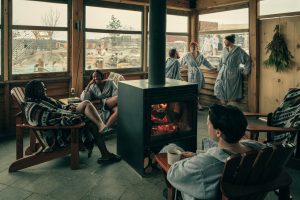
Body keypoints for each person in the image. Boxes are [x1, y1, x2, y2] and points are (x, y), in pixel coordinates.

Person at [162, 104, 264, 199]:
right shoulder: (258, 149)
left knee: (171, 147)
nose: (206, 125)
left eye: (208, 124)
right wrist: (197, 156)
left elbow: (173, 175)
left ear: (218, 132)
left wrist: (188, 160)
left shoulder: (205, 164)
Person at [24, 80, 121, 164]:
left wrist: (70, 108)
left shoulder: (41, 100)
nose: (45, 89)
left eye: (44, 87)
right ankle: (105, 153)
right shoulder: (34, 108)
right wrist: (75, 116)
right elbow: (52, 118)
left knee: (86, 103)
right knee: (91, 123)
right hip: (59, 134)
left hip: (63, 117)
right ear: (33, 91)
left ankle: (101, 125)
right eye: (41, 88)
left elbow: (58, 109)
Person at [214, 34, 251, 106]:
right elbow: (221, 60)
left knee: (231, 92)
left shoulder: (238, 50)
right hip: (223, 72)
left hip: (233, 73)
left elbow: (248, 60)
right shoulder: (224, 49)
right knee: (219, 88)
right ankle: (224, 106)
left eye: (225, 41)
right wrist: (219, 69)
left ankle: (229, 110)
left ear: (230, 41)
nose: (224, 42)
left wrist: (245, 72)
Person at [181, 41, 217, 110]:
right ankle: (197, 104)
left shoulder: (200, 55)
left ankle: (196, 103)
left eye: (195, 47)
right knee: (193, 89)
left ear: (197, 48)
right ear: (190, 48)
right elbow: (181, 63)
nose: (193, 48)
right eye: (192, 47)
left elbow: (206, 62)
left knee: (198, 90)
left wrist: (212, 68)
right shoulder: (187, 55)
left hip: (199, 74)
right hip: (191, 74)